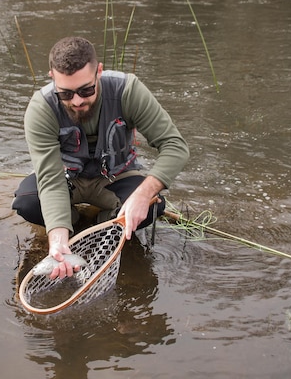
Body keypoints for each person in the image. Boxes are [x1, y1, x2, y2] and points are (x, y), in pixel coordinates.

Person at [12, 37, 189, 279]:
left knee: (151, 208)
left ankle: (101, 222)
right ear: (52, 77)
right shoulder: (41, 108)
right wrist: (57, 238)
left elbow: (175, 146)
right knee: (27, 202)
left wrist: (143, 194)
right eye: (66, 93)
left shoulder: (128, 91)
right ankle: (74, 223)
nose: (77, 101)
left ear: (99, 72)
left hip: (115, 177)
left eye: (86, 90)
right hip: (67, 180)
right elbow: (51, 180)